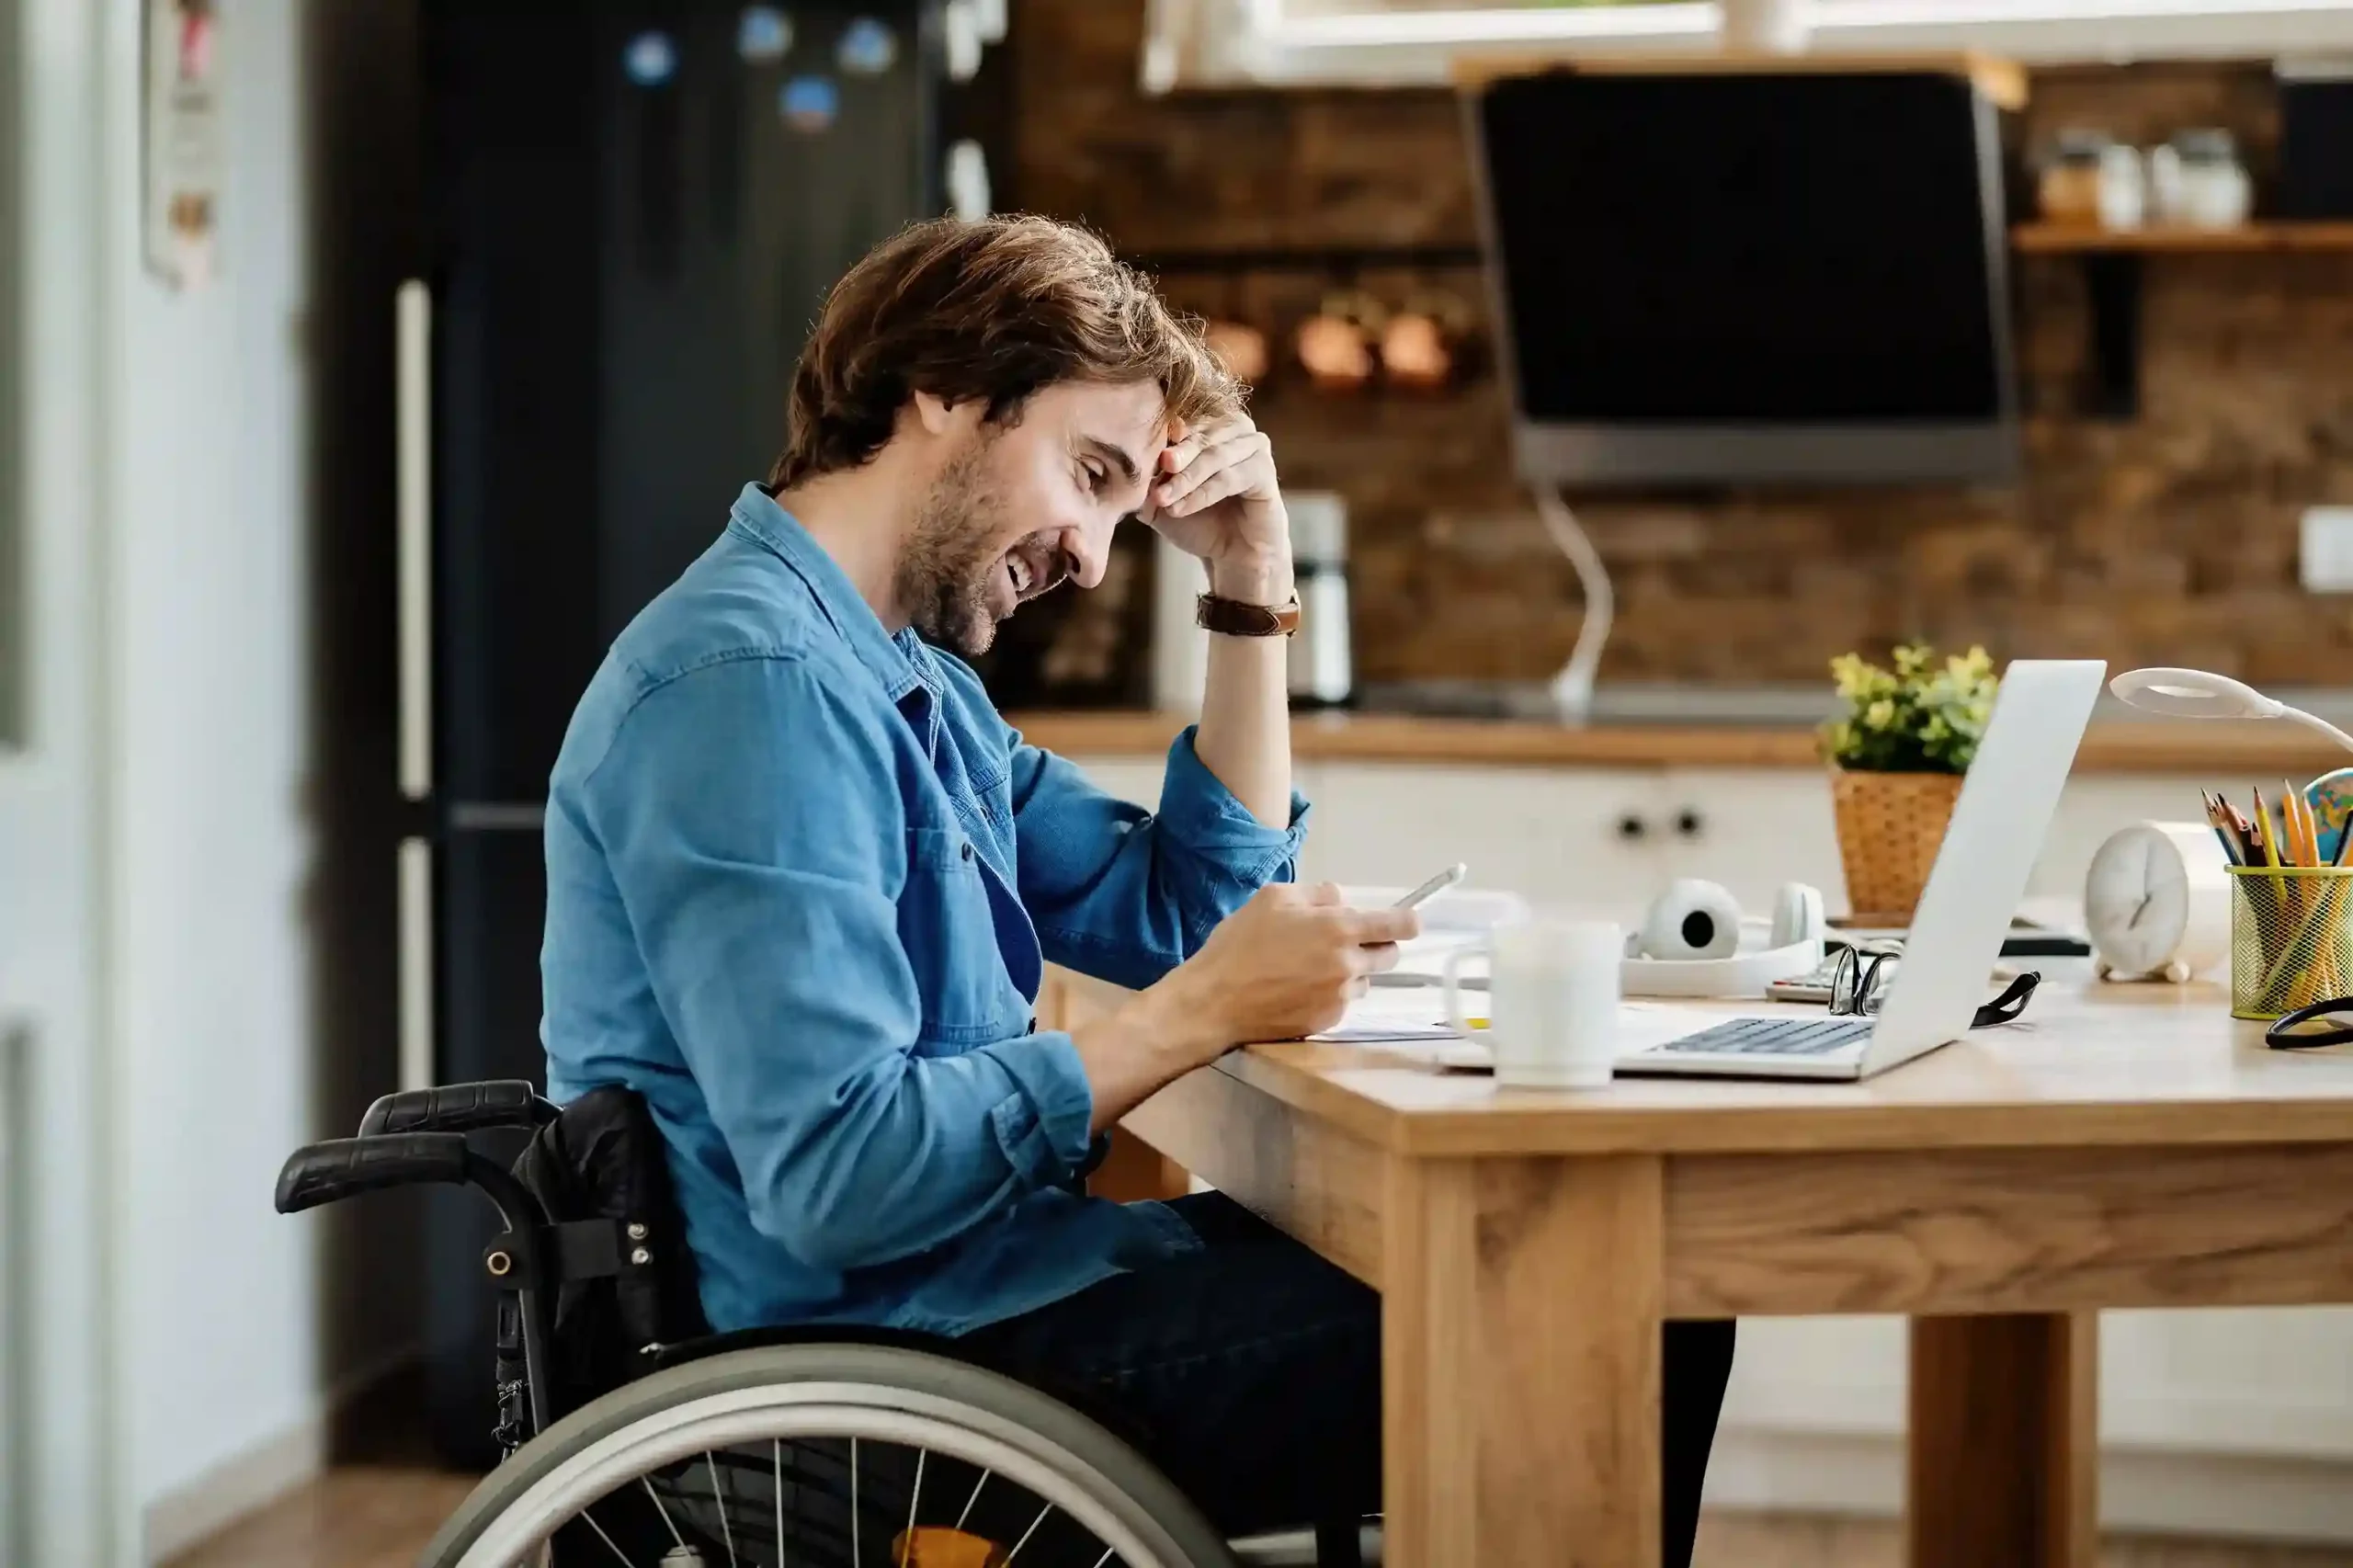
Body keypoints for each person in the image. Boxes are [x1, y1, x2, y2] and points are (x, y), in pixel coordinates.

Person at [540, 213, 1733, 1560]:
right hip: (890, 1381)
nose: (1097, 561)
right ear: (943, 386)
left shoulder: (898, 678)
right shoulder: (750, 691)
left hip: (987, 1306)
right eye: (1089, 471)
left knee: (1610, 1274)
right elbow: (838, 1176)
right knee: (1610, 1304)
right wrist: (1190, 1015)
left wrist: (1248, 578)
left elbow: (1188, 916)